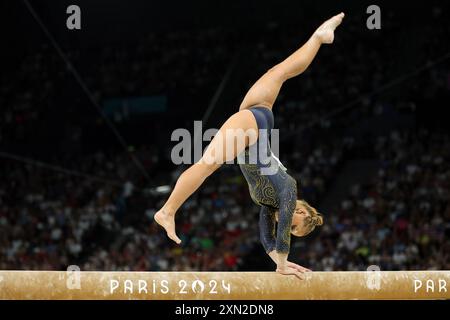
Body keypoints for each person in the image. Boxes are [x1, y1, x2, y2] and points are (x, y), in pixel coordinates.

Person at [155, 13, 345, 279]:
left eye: (290, 230)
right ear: (300, 210)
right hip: (254, 128)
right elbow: (279, 235)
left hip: (257, 123)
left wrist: (277, 260)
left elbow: (266, 235)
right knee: (207, 165)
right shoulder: (288, 189)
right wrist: (282, 259)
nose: (286, 226)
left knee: (279, 73)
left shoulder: (269, 205)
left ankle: (318, 37)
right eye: (292, 226)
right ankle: (167, 210)